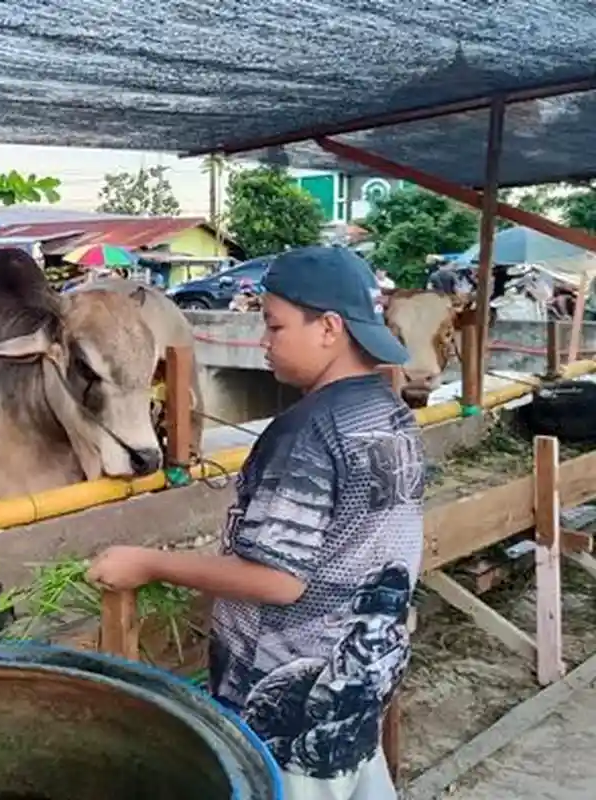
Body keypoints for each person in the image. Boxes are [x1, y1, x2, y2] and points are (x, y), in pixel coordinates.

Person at [87, 246, 425, 800]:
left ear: (330, 328)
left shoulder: (305, 433)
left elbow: (278, 579)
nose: (263, 341)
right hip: (367, 675)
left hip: (291, 701)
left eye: (274, 325)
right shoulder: (388, 412)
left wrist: (148, 562)